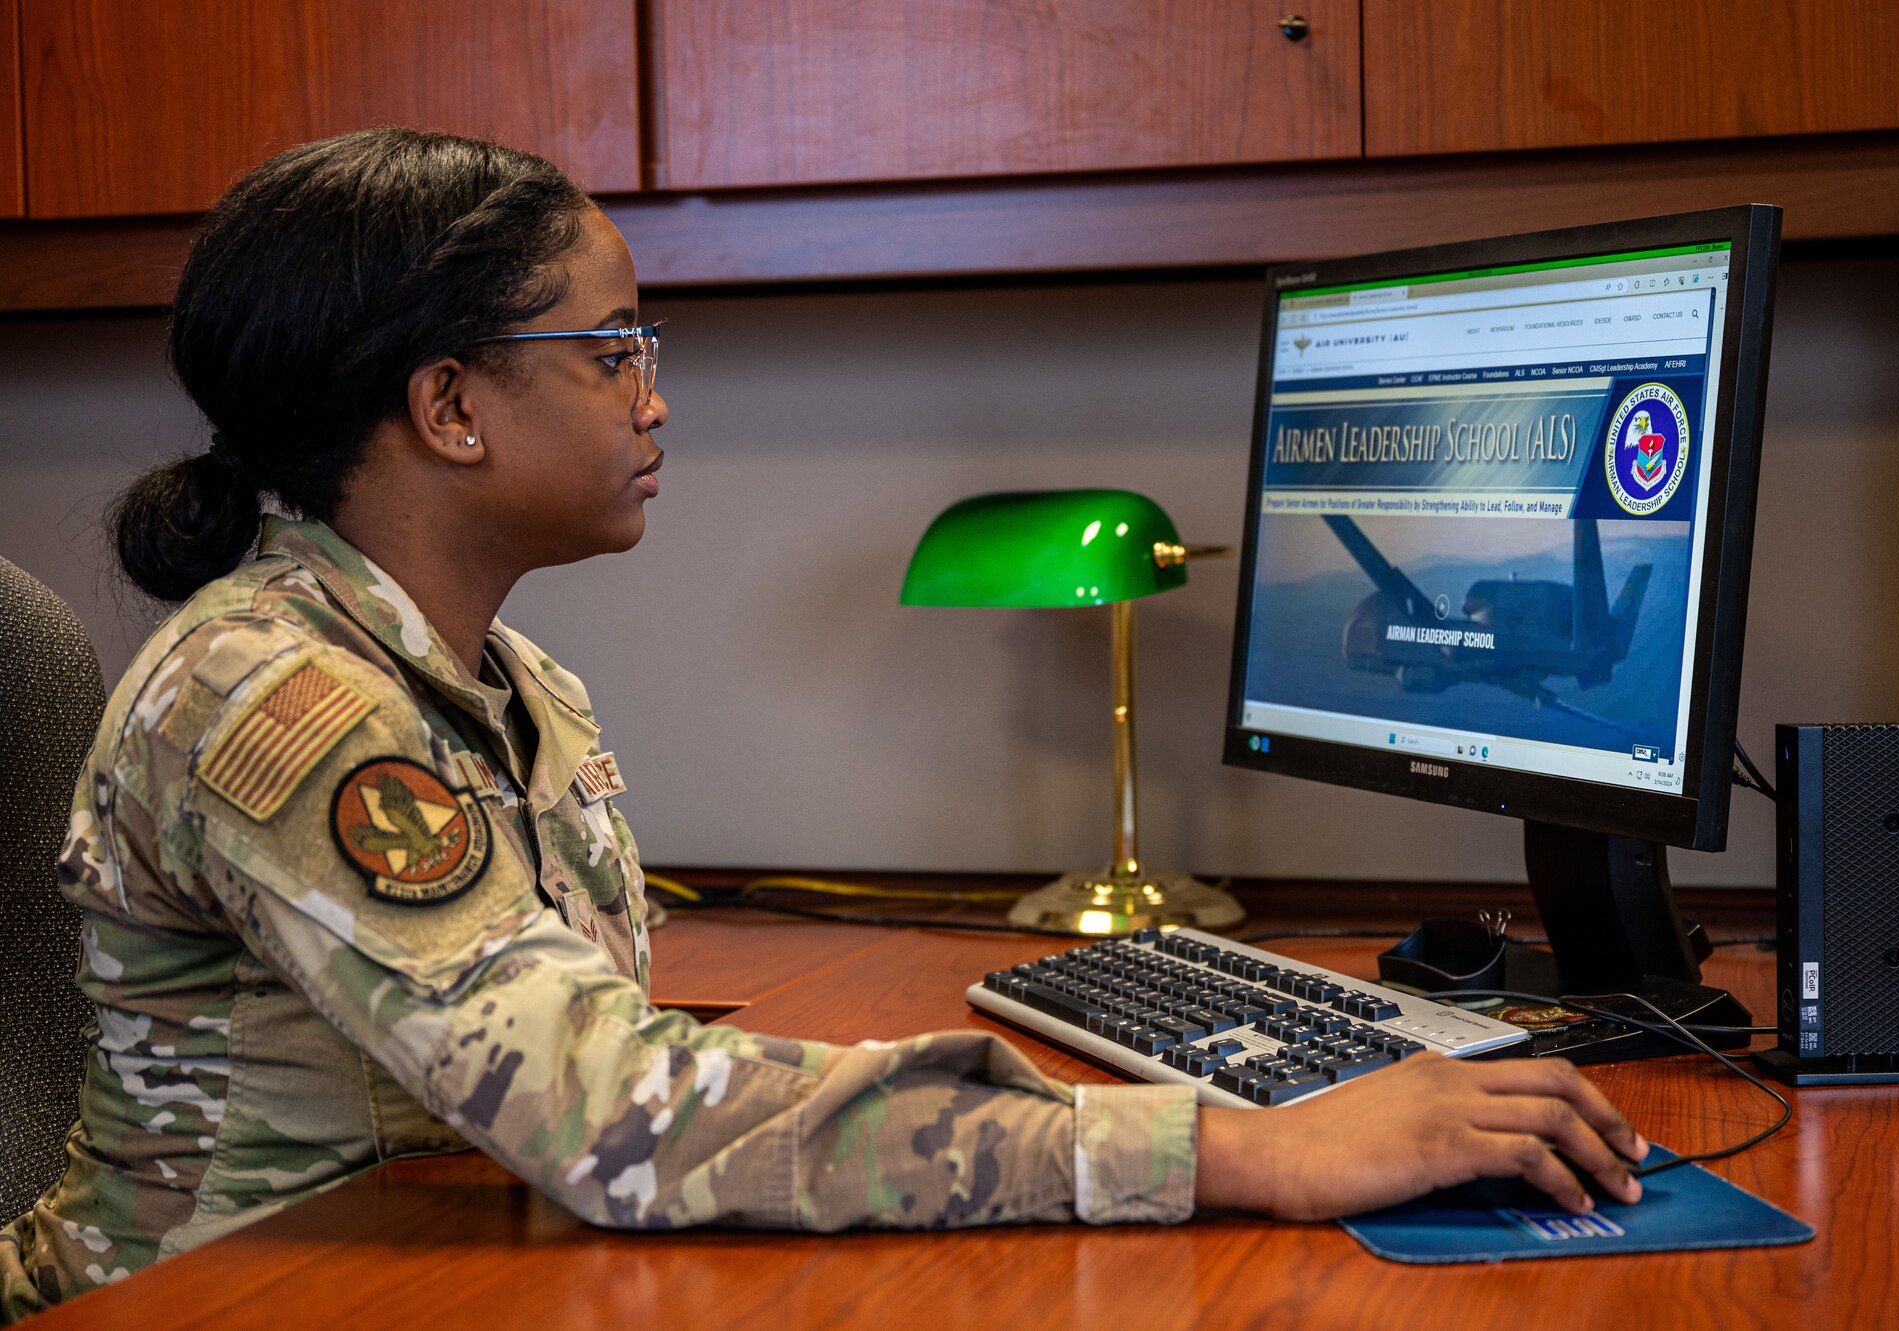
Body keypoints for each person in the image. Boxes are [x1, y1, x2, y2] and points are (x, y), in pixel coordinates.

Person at [0, 129, 1645, 1319]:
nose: (656, 395)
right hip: (220, 1298)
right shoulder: (271, 697)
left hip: (414, 1258)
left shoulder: (516, 686)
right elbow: (610, 1118)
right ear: (446, 405)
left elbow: (599, 1069)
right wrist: (1242, 1148)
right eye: (612, 346)